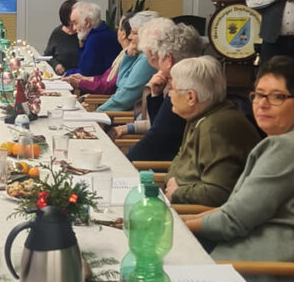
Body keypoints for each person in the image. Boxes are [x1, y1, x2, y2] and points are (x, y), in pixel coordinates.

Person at [182, 56, 294, 282]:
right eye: (258, 94)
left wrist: (176, 227)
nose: (262, 104)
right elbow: (235, 210)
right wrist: (180, 223)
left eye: (277, 97)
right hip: (263, 257)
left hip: (270, 273)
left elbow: (232, 221)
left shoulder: (287, 149)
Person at [164, 56, 261, 206]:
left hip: (196, 218)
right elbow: (179, 160)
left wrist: (178, 193)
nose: (169, 93)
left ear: (191, 97)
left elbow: (218, 192)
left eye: (172, 88)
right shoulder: (201, 116)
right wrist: (170, 181)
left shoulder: (214, 128)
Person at [114, 20, 204, 161]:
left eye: (159, 56)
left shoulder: (180, 89)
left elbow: (157, 139)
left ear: (168, 60)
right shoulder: (194, 79)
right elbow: (161, 129)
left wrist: (123, 161)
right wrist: (155, 96)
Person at [91, 11, 159, 113]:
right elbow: (120, 84)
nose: (130, 37)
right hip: (121, 114)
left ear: (148, 35)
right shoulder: (139, 55)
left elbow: (126, 97)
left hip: (125, 119)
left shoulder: (146, 60)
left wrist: (98, 112)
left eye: (134, 33)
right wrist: (128, 57)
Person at [63, 1, 120, 77]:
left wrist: (67, 74)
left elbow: (85, 73)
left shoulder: (96, 39)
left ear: (87, 22)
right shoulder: (104, 32)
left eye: (75, 23)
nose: (74, 28)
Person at [43, 0, 79, 75]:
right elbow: (47, 55)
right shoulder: (57, 32)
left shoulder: (83, 33)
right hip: (60, 76)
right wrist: (56, 65)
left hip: (79, 76)